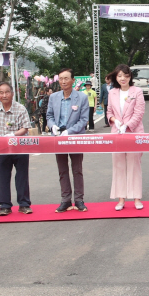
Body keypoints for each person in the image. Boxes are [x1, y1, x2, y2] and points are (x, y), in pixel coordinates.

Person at [46, 68, 90, 213]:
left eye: (66, 78)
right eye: (61, 79)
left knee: (77, 169)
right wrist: (53, 127)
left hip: (75, 138)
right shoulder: (54, 97)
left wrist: (69, 132)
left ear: (73, 80)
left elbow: (84, 120)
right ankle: (65, 200)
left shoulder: (82, 97)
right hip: (58, 139)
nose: (63, 81)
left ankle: (79, 200)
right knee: (62, 170)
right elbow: (49, 116)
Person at [0, 82, 32, 216]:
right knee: (2, 176)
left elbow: (25, 127)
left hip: (19, 147)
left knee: (22, 176)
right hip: (2, 148)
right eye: (1, 93)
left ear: (12, 94)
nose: (4, 95)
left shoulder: (20, 108)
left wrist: (13, 135)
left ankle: (24, 204)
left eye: (7, 92)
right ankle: (5, 205)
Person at [106, 64, 146, 211]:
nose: (123, 78)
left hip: (134, 133)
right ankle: (121, 198)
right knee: (118, 165)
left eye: (126, 75)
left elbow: (139, 112)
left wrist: (127, 125)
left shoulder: (137, 91)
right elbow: (109, 112)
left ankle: (136, 198)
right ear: (116, 77)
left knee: (134, 164)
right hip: (117, 133)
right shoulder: (112, 93)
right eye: (120, 76)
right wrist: (114, 120)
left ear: (130, 76)